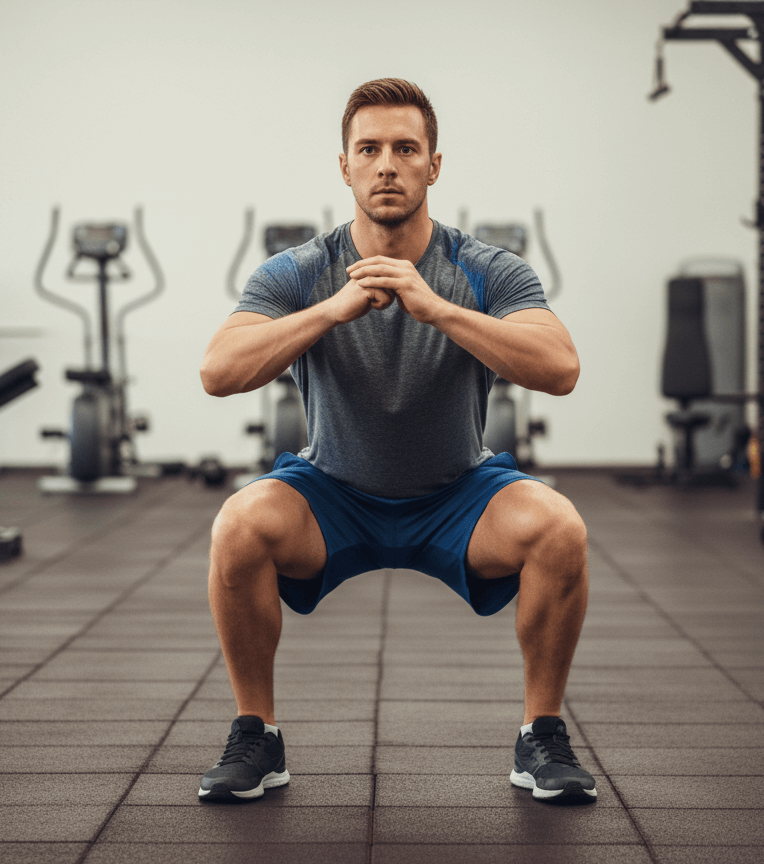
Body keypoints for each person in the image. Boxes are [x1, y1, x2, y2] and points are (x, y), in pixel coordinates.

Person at [198, 78, 593, 804]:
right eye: (370, 149)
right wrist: (331, 310)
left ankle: (541, 733)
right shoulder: (298, 271)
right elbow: (218, 373)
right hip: (332, 493)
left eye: (405, 149)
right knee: (238, 524)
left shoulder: (484, 268)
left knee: (559, 529)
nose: (387, 165)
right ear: (344, 166)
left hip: (459, 494)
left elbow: (561, 369)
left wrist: (437, 309)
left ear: (433, 166)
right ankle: (258, 732)